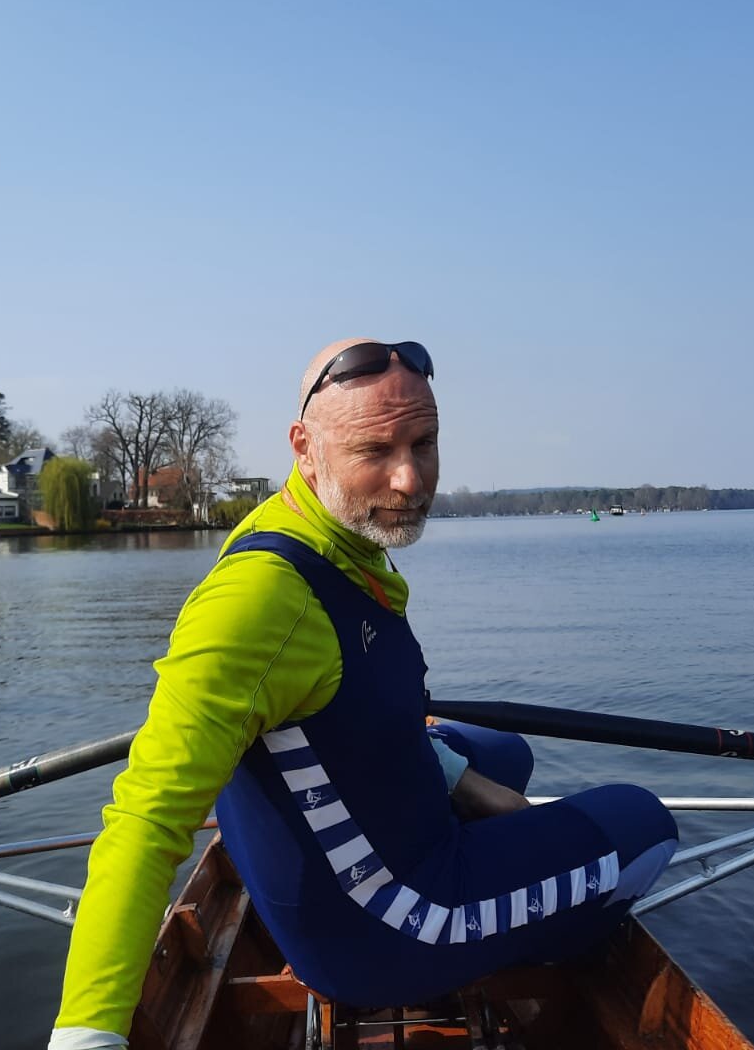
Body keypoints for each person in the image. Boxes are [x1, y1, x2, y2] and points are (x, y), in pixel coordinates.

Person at [50, 339, 677, 1049]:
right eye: (374, 451)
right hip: (384, 928)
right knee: (646, 824)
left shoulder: (315, 531)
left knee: (506, 754)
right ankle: (542, 936)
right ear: (305, 447)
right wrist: (88, 1035)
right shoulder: (257, 603)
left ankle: (486, 839)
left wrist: (459, 779)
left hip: (359, 859)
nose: (410, 480)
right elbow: (145, 820)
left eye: (425, 442)